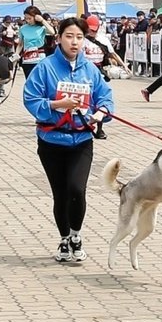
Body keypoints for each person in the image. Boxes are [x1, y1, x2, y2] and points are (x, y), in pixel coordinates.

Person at [22, 17, 113, 263]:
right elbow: (30, 99)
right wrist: (56, 105)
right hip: (51, 141)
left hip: (81, 140)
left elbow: (105, 98)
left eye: (80, 37)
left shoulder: (91, 69)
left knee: (77, 190)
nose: (74, 42)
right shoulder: (45, 67)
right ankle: (63, 239)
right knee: (60, 193)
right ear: (59, 38)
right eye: (69, 36)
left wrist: (100, 114)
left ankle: (76, 235)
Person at [17, 7, 55, 82]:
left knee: (41, 81)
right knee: (29, 81)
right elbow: (20, 44)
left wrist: (42, 20)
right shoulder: (23, 28)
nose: (28, 20)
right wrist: (16, 55)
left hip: (40, 58)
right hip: (27, 58)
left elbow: (52, 32)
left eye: (30, 18)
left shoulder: (42, 27)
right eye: (26, 18)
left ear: (36, 17)